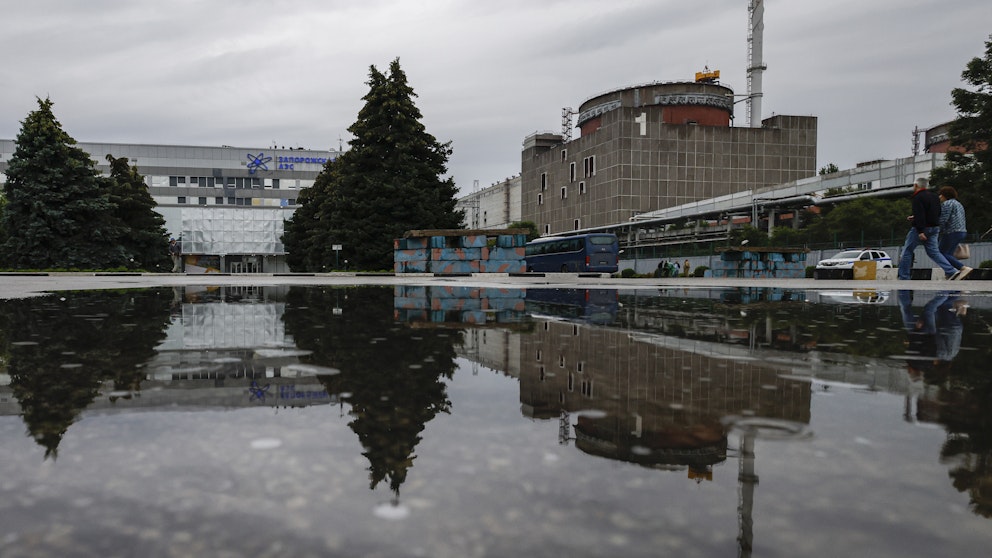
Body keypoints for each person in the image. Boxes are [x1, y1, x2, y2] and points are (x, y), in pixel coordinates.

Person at [897, 178, 957, 280]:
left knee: (907, 250)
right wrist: (916, 217)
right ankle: (951, 270)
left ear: (916, 185)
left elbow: (920, 214)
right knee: (934, 252)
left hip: (921, 228)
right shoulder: (934, 197)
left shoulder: (918, 197)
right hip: (934, 228)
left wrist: (920, 230)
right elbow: (936, 213)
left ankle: (904, 276)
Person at [937, 186, 973, 280]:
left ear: (945, 195)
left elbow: (943, 219)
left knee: (941, 253)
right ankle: (949, 274)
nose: (939, 197)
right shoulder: (958, 204)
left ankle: (962, 268)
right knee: (948, 253)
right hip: (961, 231)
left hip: (951, 232)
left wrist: (937, 230)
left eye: (940, 195)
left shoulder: (947, 204)